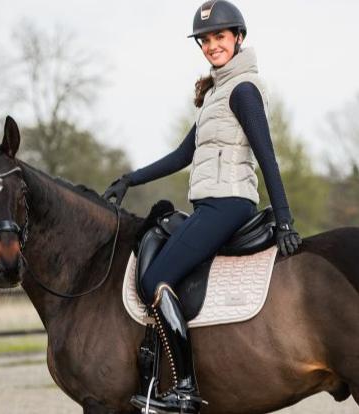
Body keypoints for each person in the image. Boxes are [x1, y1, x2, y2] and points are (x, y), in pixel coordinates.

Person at [103, 1, 302, 413]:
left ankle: (185, 388)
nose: (212, 45)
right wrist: (129, 179)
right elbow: (181, 155)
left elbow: (266, 155)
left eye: (220, 37)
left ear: (239, 39)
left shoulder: (244, 89)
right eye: (206, 39)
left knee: (153, 279)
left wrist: (284, 219)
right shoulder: (217, 92)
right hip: (210, 204)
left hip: (229, 204)